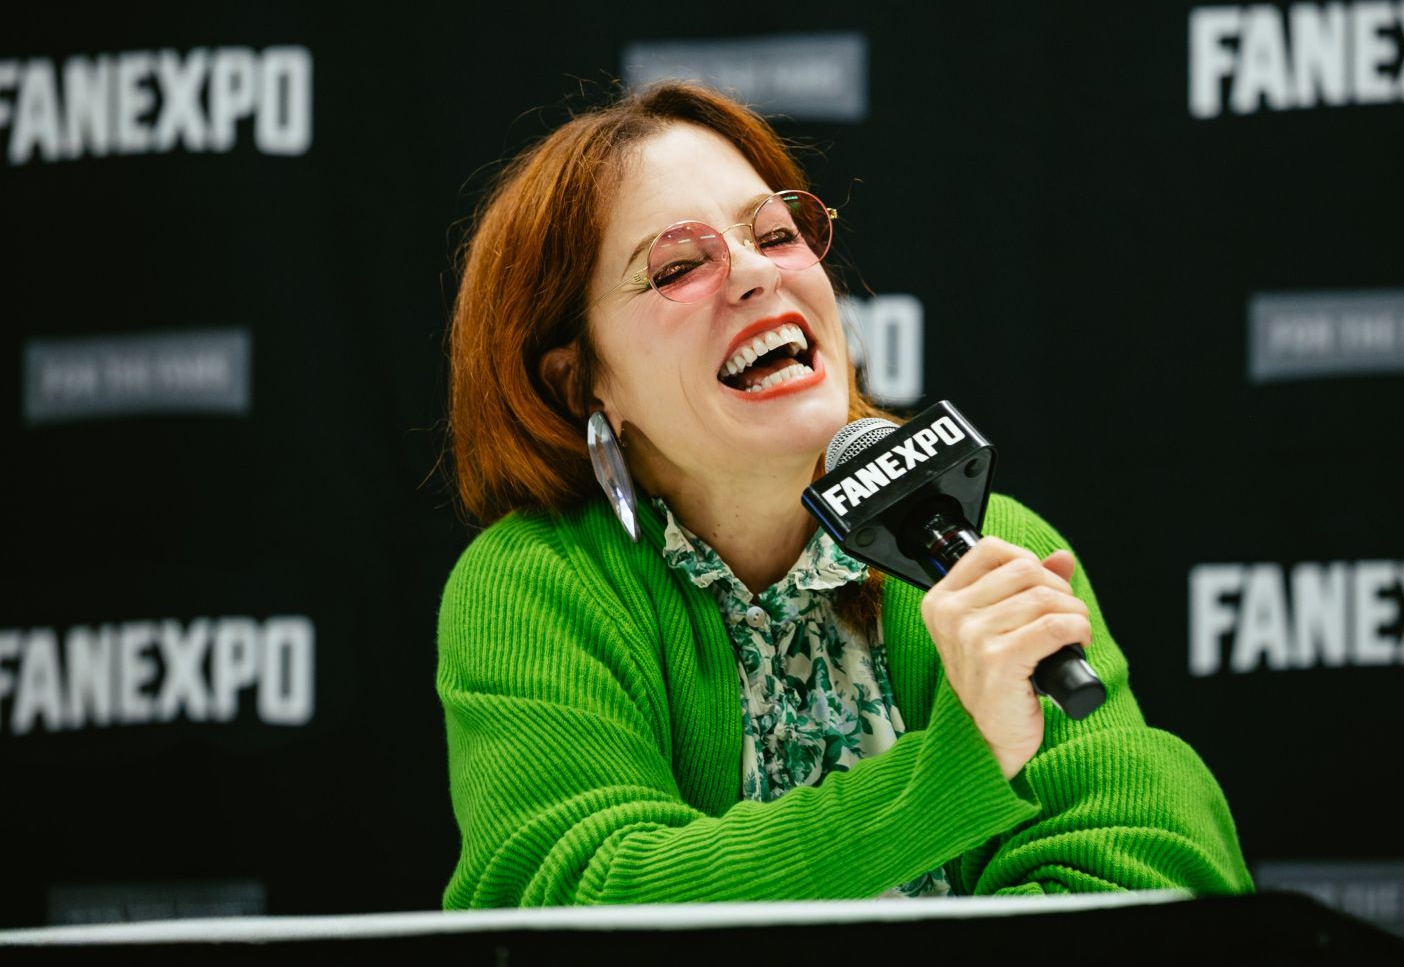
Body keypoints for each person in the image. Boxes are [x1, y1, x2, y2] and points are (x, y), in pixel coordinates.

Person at [438, 81, 1253, 907]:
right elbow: (578, 899)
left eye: (777, 234)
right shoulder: (537, 585)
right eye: (678, 266)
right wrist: (955, 770)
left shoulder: (980, 541)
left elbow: (1141, 873)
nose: (758, 272)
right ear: (580, 381)